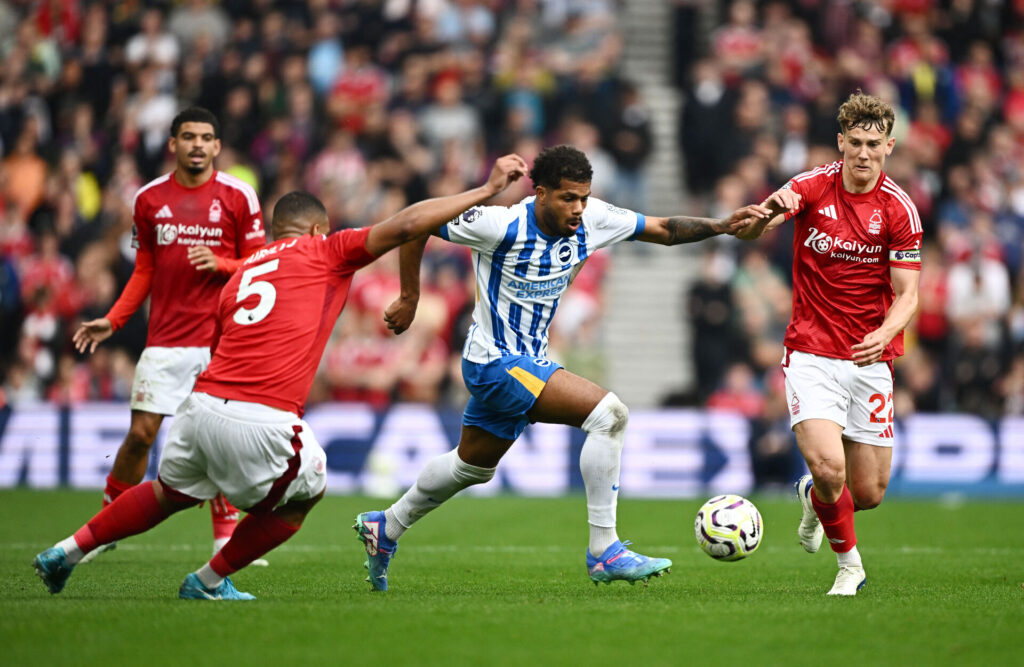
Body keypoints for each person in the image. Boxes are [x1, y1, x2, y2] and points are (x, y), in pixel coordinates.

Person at [32, 154, 530, 600]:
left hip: (200, 406)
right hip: (263, 418)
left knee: (168, 492)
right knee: (306, 495)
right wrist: (485, 191)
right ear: (317, 230)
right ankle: (207, 581)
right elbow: (406, 225)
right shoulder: (326, 251)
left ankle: (67, 550)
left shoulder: (242, 273)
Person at [354, 144, 773, 590]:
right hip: (494, 361)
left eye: (584, 198)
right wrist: (410, 297)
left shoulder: (593, 220)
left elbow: (666, 228)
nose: (578, 209)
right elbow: (417, 223)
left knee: (472, 466)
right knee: (609, 415)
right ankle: (604, 551)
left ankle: (387, 526)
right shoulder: (501, 224)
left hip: (527, 361)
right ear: (540, 193)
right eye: (567, 198)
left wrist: (724, 226)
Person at [738, 91, 922, 596]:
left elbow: (908, 295)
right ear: (840, 142)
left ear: (888, 147)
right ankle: (850, 567)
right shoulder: (812, 186)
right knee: (828, 467)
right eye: (855, 143)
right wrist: (766, 215)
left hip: (870, 356)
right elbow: (766, 221)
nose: (863, 154)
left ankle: (815, 498)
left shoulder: (900, 209)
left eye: (873, 145)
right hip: (811, 352)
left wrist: (884, 333)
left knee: (867, 491)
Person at [71, 107, 267, 562]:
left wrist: (221, 264)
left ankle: (225, 539)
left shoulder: (240, 196)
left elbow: (259, 263)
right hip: (165, 340)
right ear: (173, 144)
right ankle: (107, 523)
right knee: (141, 434)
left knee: (220, 439)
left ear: (217, 146)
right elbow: (145, 268)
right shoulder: (149, 199)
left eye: (206, 138)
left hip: (221, 341)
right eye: (189, 137)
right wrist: (114, 319)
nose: (198, 144)